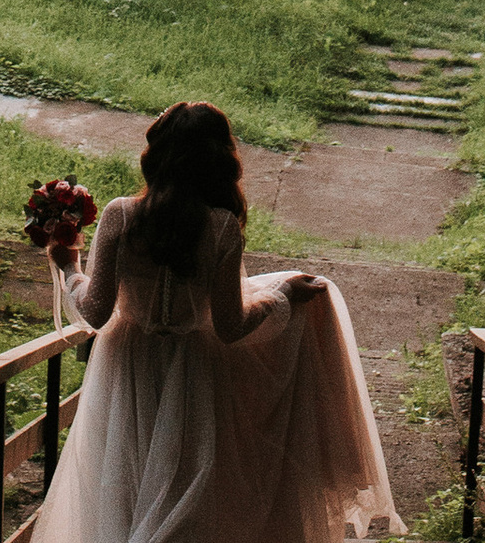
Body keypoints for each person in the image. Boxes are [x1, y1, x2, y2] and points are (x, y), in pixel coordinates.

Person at [36, 101, 401, 543]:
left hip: (125, 368)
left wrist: (69, 265)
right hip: (194, 375)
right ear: (217, 161)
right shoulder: (222, 226)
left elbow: (94, 311)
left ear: (157, 155)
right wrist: (283, 294)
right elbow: (230, 325)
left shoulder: (120, 214)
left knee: (119, 489)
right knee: (187, 495)